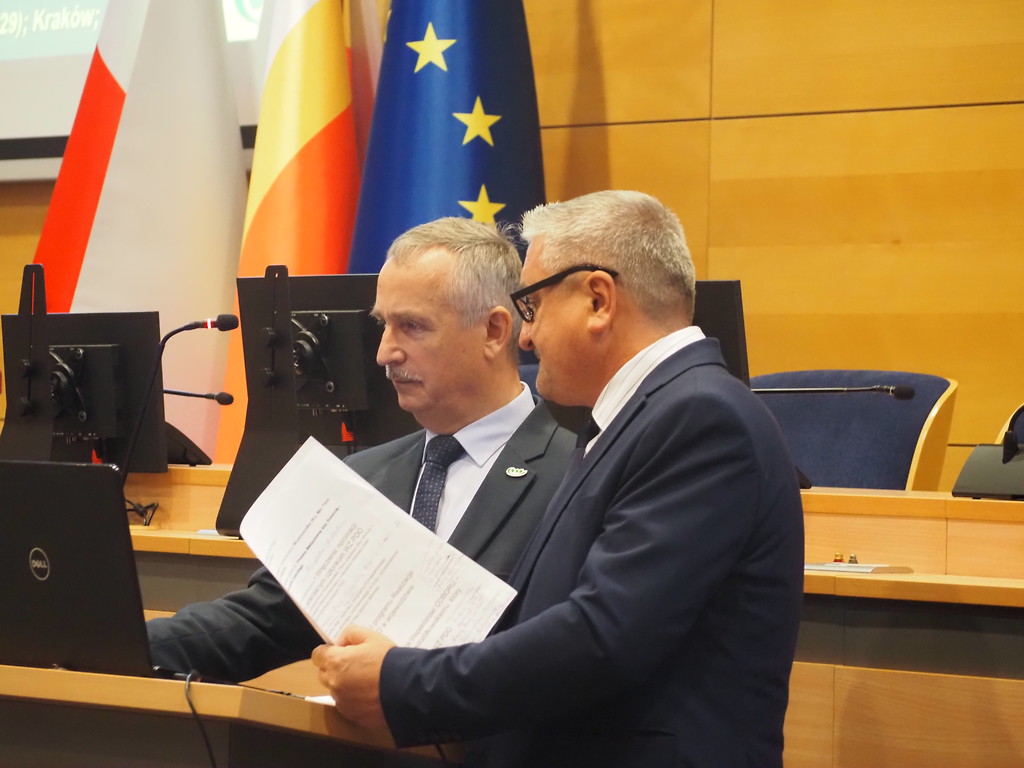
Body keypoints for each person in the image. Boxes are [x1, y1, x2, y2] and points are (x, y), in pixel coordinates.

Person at [311, 191, 805, 767]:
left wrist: (402, 683)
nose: (525, 338)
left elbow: (601, 637)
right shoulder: (641, 417)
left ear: (598, 300)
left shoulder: (698, 417)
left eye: (533, 305)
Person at [147, 217, 576, 682]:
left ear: (493, 330)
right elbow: (261, 622)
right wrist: (117, 641)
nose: (384, 353)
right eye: (383, 325)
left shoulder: (578, 468)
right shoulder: (359, 476)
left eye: (412, 326)